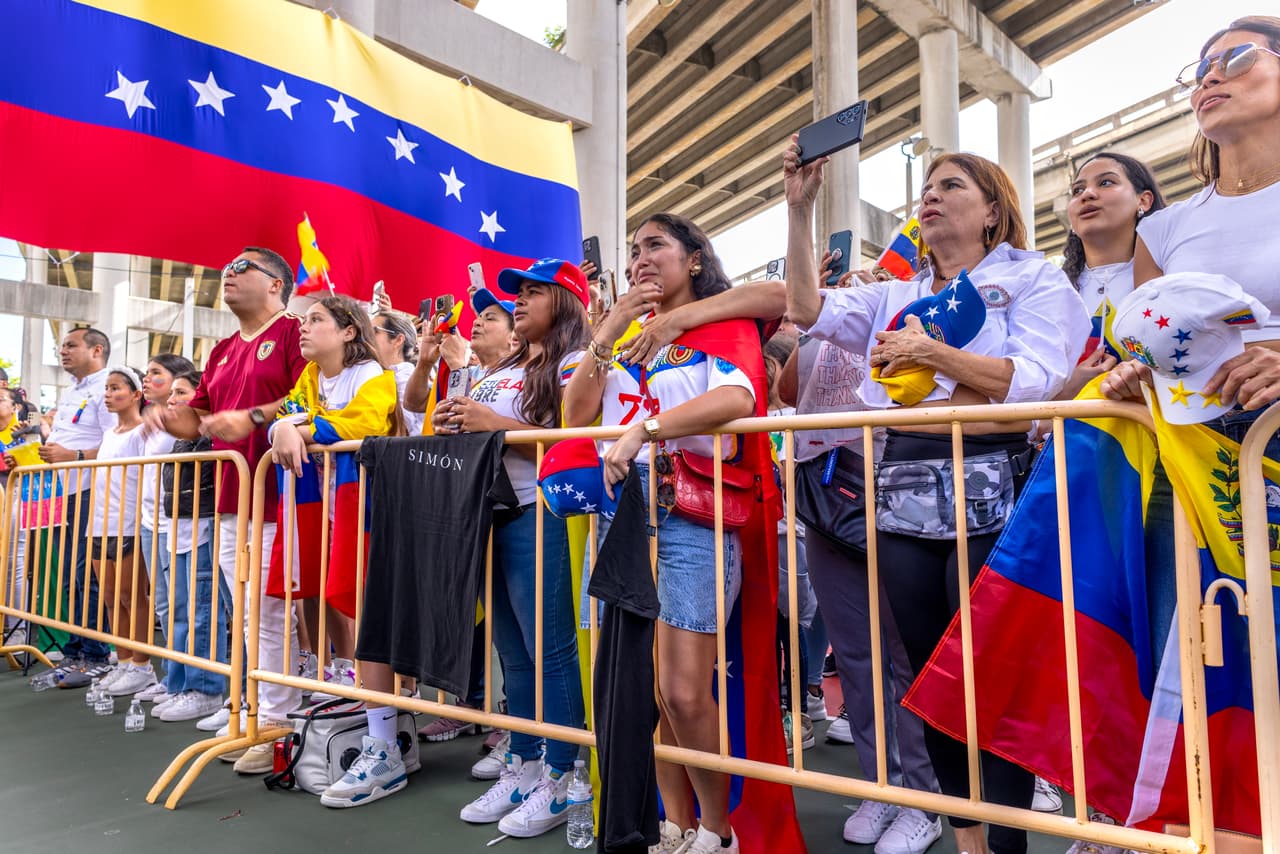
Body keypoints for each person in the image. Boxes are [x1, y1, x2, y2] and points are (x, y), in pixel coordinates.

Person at [785, 145, 1089, 854]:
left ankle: (1009, 843)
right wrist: (800, 208)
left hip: (1001, 490)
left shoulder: (1035, 278)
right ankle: (970, 844)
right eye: (925, 187)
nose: (930, 196)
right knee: (935, 682)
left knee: (996, 681)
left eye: (951, 185)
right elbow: (804, 307)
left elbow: (1034, 385)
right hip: (902, 493)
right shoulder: (898, 291)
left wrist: (933, 359)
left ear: (992, 210)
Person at [563, 214, 790, 854]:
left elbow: (739, 399)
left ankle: (719, 833)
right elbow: (576, 414)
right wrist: (608, 328)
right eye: (634, 249)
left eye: (656, 245)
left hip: (689, 518)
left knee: (685, 691)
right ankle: (673, 825)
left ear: (695, 259)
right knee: (649, 690)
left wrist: (647, 429)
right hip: (620, 519)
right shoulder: (631, 336)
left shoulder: (719, 324)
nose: (640, 258)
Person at [429, 258, 589, 837]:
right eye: (515, 295)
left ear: (565, 301)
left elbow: (570, 446)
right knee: (513, 656)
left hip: (538, 513)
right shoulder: (511, 362)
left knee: (552, 651)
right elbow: (488, 425)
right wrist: (460, 419)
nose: (518, 303)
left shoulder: (573, 362)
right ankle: (522, 765)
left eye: (532, 294)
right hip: (490, 513)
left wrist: (489, 423)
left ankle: (564, 775)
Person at [146, 247, 307, 774]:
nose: (228, 276)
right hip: (234, 500)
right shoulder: (220, 350)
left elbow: (313, 398)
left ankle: (277, 723)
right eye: (227, 269)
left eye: (242, 269)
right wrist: (173, 418)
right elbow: (202, 422)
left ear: (277, 284)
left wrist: (254, 417)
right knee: (247, 615)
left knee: (270, 614)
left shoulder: (292, 332)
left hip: (284, 495)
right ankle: (258, 713)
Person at [1104, 15, 1280, 427]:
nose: (1210, 79)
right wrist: (1136, 374)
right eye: (1203, 72)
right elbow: (1149, 348)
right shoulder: (1160, 229)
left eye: (1237, 60)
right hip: (1194, 436)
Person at [268, 294, 399, 700]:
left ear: (348, 331)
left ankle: (384, 685)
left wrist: (299, 430)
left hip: (365, 503)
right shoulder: (310, 376)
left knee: (357, 586)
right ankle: (338, 666)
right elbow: (284, 414)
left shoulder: (371, 374)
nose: (302, 327)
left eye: (315, 319)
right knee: (314, 580)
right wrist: (284, 428)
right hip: (321, 499)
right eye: (303, 320)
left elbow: (363, 422)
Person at [146, 369, 229, 724]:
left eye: (183, 392)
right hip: (176, 525)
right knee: (179, 610)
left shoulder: (207, 436)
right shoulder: (181, 439)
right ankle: (179, 683)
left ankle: (206, 688)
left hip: (202, 525)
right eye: (173, 392)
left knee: (202, 611)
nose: (174, 399)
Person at [1056, 153, 1166, 400]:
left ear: (1144, 200)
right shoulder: (1049, 289)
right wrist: (1069, 388)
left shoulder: (1170, 276)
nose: (1087, 194)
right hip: (1067, 435)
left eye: (1106, 183)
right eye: (1077, 190)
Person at [42, 328, 116, 689]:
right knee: (72, 574)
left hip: (93, 490)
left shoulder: (108, 388)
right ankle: (75, 651)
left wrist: (75, 456)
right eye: (62, 347)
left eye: (71, 345)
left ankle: (95, 655)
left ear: (96, 350)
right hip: (65, 492)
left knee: (86, 574)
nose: (63, 352)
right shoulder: (72, 390)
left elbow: (119, 443)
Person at [89, 367, 158, 698]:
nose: (108, 394)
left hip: (129, 522)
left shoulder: (143, 432)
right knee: (111, 597)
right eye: (106, 388)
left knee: (133, 596)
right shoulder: (109, 433)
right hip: (100, 523)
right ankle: (124, 660)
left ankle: (142, 665)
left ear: (136, 394)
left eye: (116, 388)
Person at [135, 354, 197, 676]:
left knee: (184, 604)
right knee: (164, 604)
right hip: (150, 522)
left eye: (155, 373)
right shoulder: (149, 421)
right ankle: (172, 675)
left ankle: (189, 677)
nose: (146, 379)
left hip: (176, 521)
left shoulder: (184, 423)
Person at [371, 310, 425, 437]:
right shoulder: (377, 373)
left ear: (398, 340)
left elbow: (404, 428)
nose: (366, 337)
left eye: (374, 331)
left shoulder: (405, 377)